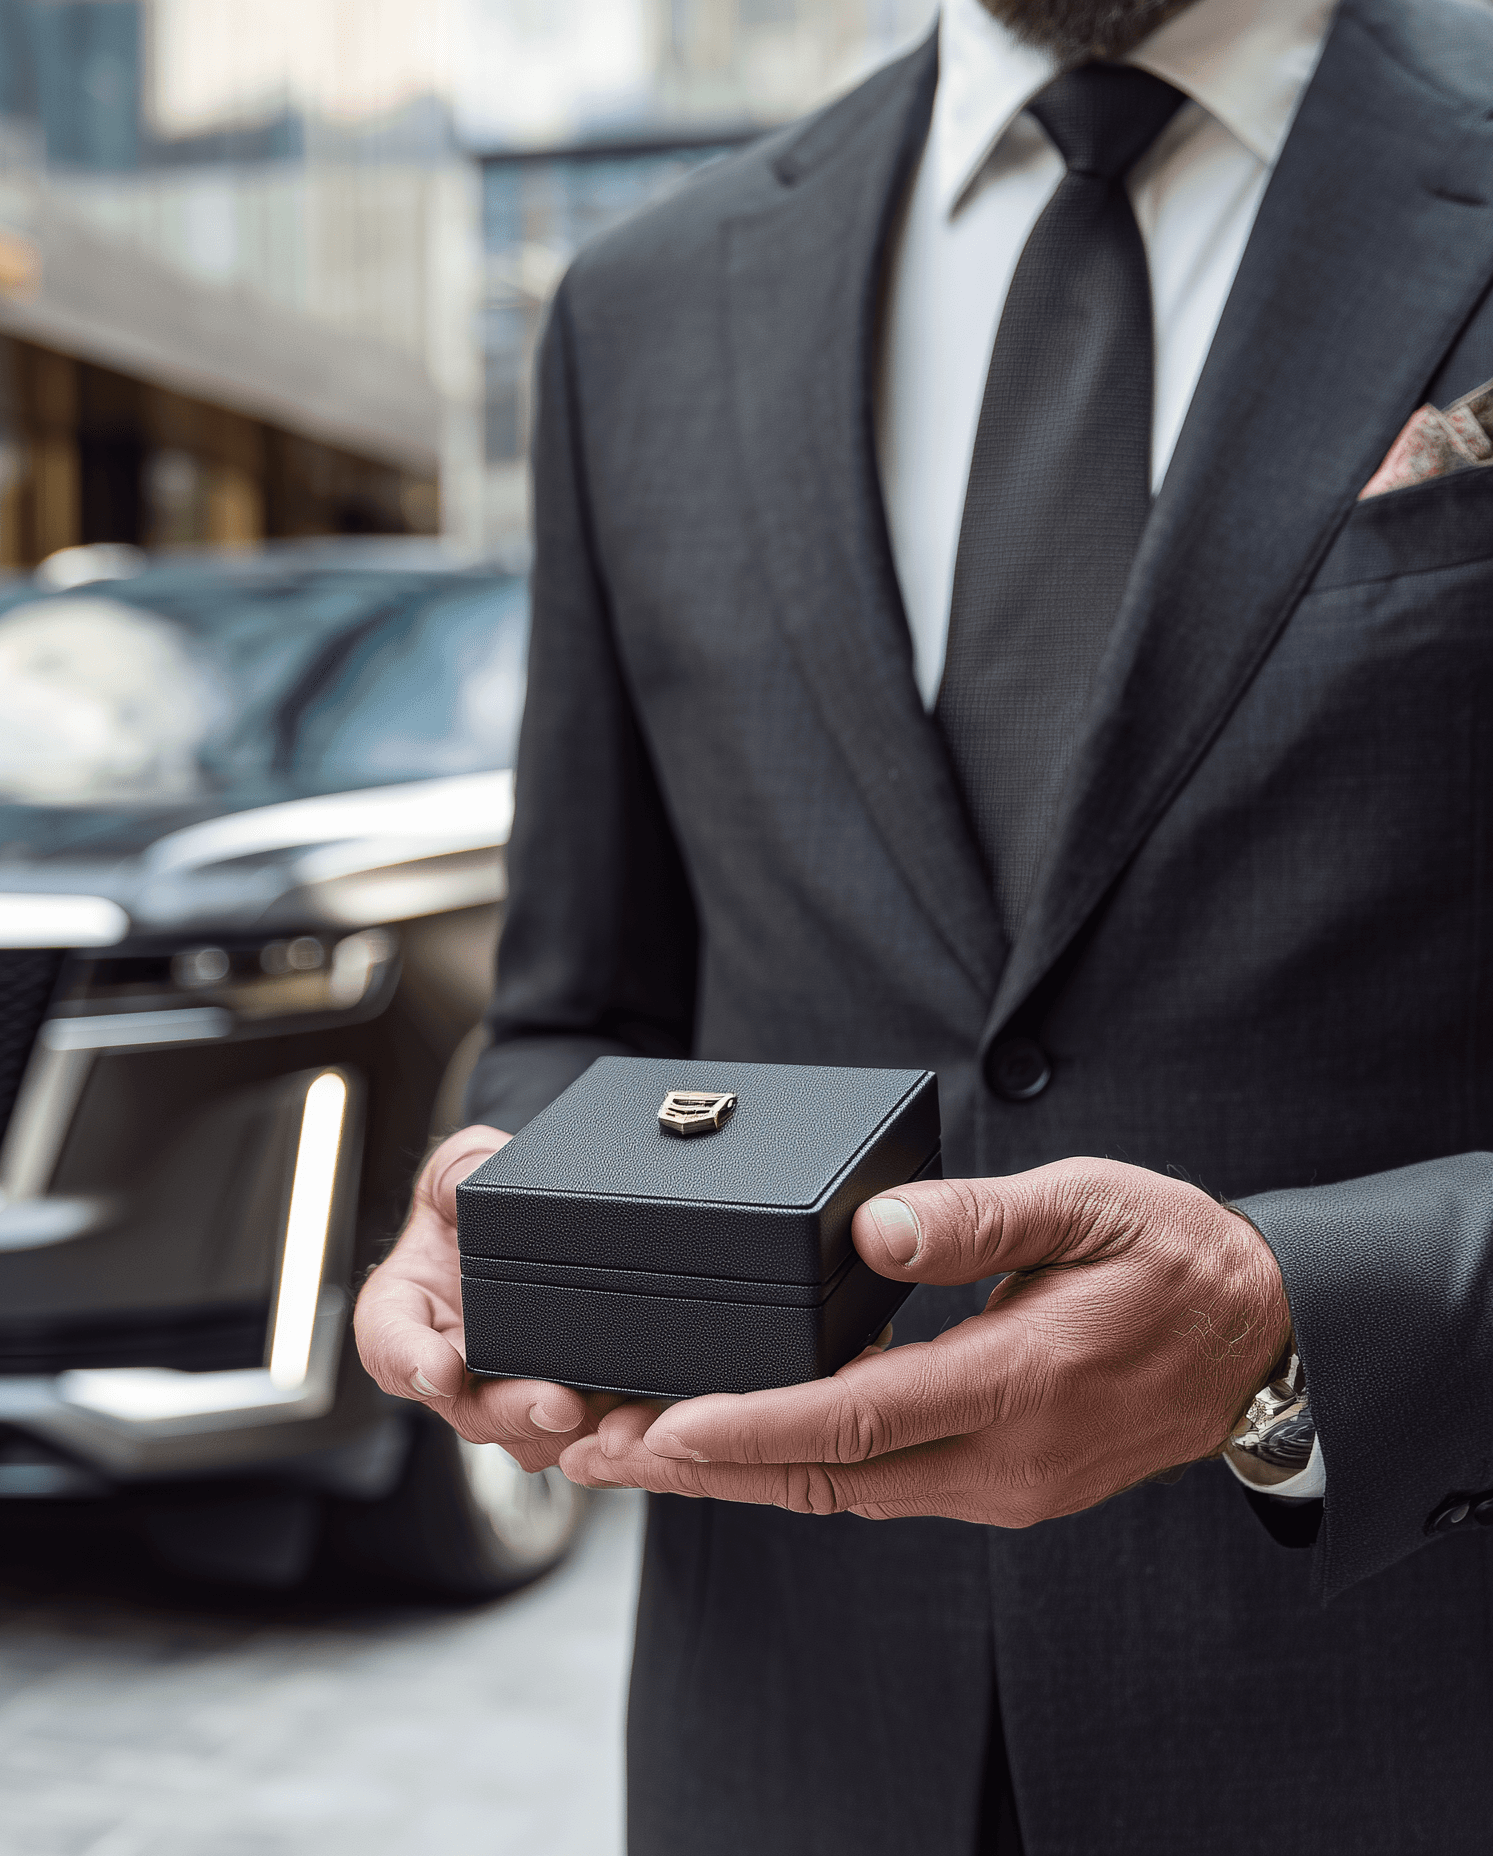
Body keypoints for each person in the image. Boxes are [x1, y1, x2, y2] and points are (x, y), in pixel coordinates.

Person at [354, 0, 1493, 1844]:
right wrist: (514, 1205)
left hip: (1405, 1725)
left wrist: (1306, 1329)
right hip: (798, 1739)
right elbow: (585, 997)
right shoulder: (644, 305)